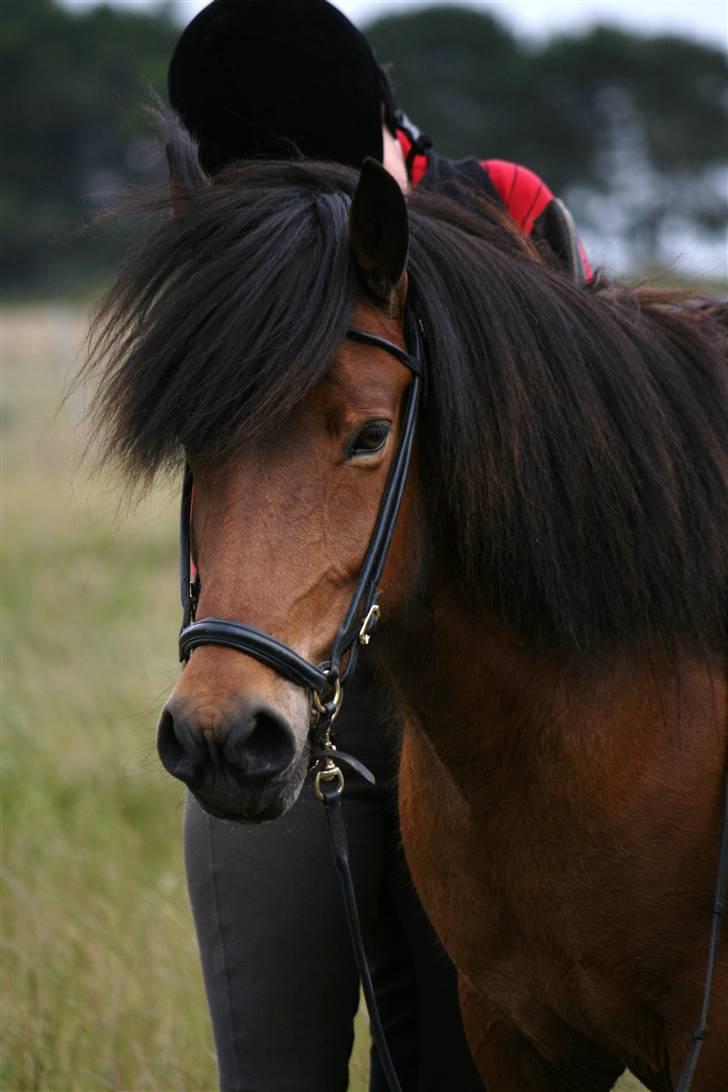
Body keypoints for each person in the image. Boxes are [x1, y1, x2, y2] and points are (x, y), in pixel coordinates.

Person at [166, 3, 589, 1090]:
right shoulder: (225, 250)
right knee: (270, 1063)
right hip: (271, 676)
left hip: (459, 726)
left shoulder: (498, 208)